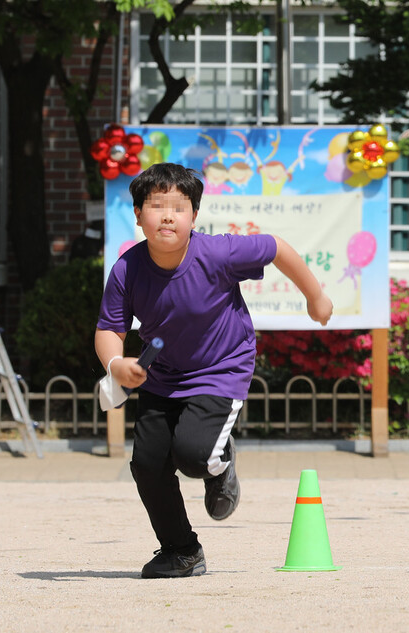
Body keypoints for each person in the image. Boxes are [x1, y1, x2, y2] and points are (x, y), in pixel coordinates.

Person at [95, 162, 333, 579]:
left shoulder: (218, 252)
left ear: (194, 216)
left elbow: (276, 247)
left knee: (193, 456)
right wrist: (117, 364)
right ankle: (182, 551)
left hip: (221, 368)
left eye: (179, 207)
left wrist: (315, 296)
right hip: (161, 373)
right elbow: (109, 329)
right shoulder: (126, 270)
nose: (167, 215)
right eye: (156, 206)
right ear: (137, 215)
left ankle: (219, 462)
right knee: (148, 464)